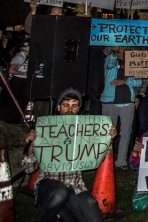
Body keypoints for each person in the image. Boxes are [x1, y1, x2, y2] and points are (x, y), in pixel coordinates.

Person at [22, 88, 116, 222]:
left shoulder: (84, 131)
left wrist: (108, 139)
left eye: (74, 106)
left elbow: (98, 157)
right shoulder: (46, 129)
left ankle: (63, 213)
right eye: (66, 105)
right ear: (58, 107)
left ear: (79, 109)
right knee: (60, 193)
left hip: (75, 187)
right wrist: (31, 145)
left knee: (93, 215)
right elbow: (29, 169)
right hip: (49, 184)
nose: (70, 110)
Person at [101, 45, 142, 169]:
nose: (123, 49)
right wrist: (113, 53)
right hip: (109, 101)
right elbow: (109, 65)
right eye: (120, 47)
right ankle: (105, 160)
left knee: (126, 133)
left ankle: (121, 161)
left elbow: (138, 82)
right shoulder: (110, 59)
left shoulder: (133, 63)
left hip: (127, 102)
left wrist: (124, 82)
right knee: (107, 133)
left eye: (125, 47)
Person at [8, 40, 29, 110]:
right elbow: (11, 70)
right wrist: (24, 73)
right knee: (17, 102)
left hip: (22, 81)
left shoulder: (25, 57)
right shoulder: (19, 57)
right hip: (18, 81)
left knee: (21, 102)